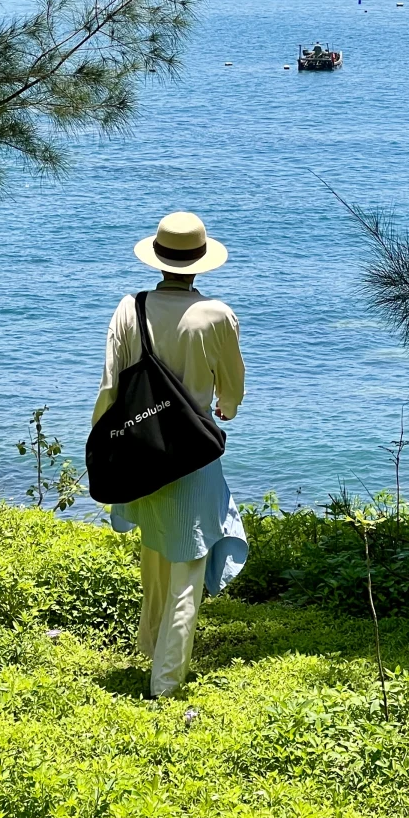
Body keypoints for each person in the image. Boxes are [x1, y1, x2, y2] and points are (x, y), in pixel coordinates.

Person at [92, 210, 248, 698]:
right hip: (192, 459)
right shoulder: (217, 315)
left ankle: (149, 648)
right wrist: (225, 407)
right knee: (189, 569)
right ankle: (165, 682)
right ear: (201, 263)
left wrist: (101, 446)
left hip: (142, 455)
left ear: (158, 260)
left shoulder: (129, 309)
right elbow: (233, 390)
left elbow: (109, 389)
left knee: (156, 556)